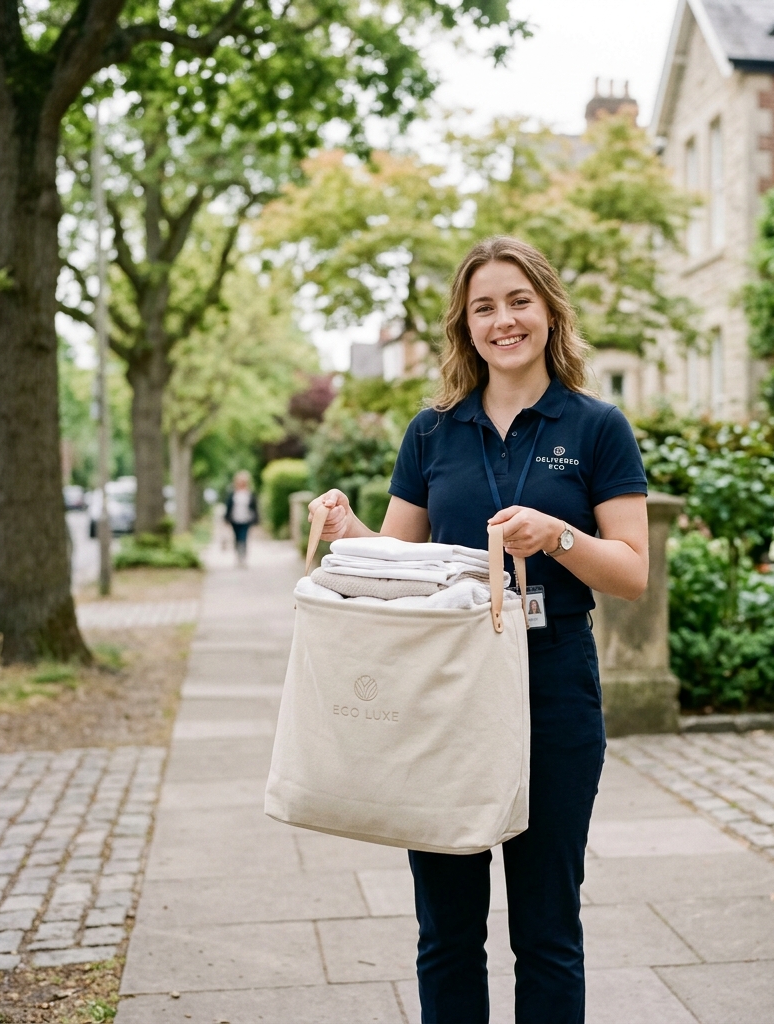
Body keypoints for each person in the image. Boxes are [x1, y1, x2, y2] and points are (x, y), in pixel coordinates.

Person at [309, 236, 648, 1024]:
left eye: (519, 301)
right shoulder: (432, 432)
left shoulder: (597, 426)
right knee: (448, 930)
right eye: (484, 307)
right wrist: (348, 526)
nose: (504, 321)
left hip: (554, 687)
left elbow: (632, 572)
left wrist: (557, 536)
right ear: (464, 325)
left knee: (548, 929)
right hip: (448, 693)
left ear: (549, 311)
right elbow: (401, 562)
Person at [224, 470, 258, 566]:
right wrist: (226, 519)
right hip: (234, 520)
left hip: (246, 519)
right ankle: (238, 556)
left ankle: (242, 557)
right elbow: (228, 506)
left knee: (243, 537)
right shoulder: (233, 493)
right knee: (236, 538)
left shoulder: (250, 494)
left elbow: (254, 507)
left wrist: (256, 519)